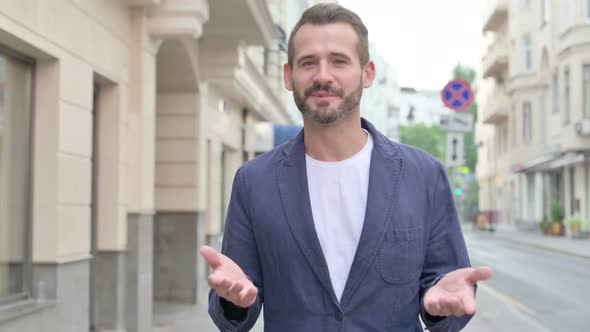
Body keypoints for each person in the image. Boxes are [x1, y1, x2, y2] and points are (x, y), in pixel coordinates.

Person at [199, 3, 492, 331]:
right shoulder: (254, 182)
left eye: (339, 61)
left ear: (367, 73)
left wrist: (443, 307)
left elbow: (445, 290)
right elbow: (235, 310)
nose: (323, 75)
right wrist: (233, 300)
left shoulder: (423, 176)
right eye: (308, 62)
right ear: (288, 76)